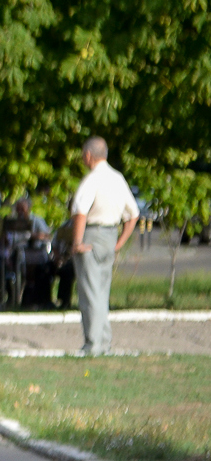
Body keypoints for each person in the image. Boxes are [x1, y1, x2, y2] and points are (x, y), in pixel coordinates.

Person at [71, 136, 139, 355]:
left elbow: (80, 211)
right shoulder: (118, 178)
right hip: (110, 236)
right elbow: (133, 214)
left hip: (92, 235)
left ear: (88, 155)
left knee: (89, 292)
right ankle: (104, 342)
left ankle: (92, 343)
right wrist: (119, 243)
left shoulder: (92, 179)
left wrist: (77, 242)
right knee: (102, 291)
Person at [5, 196, 53, 307]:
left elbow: (47, 235)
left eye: (23, 209)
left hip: (35, 252)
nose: (20, 212)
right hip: (18, 254)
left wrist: (34, 236)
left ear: (28, 209)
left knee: (43, 269)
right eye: (18, 209)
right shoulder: (12, 223)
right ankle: (13, 299)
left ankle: (40, 300)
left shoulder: (37, 220)